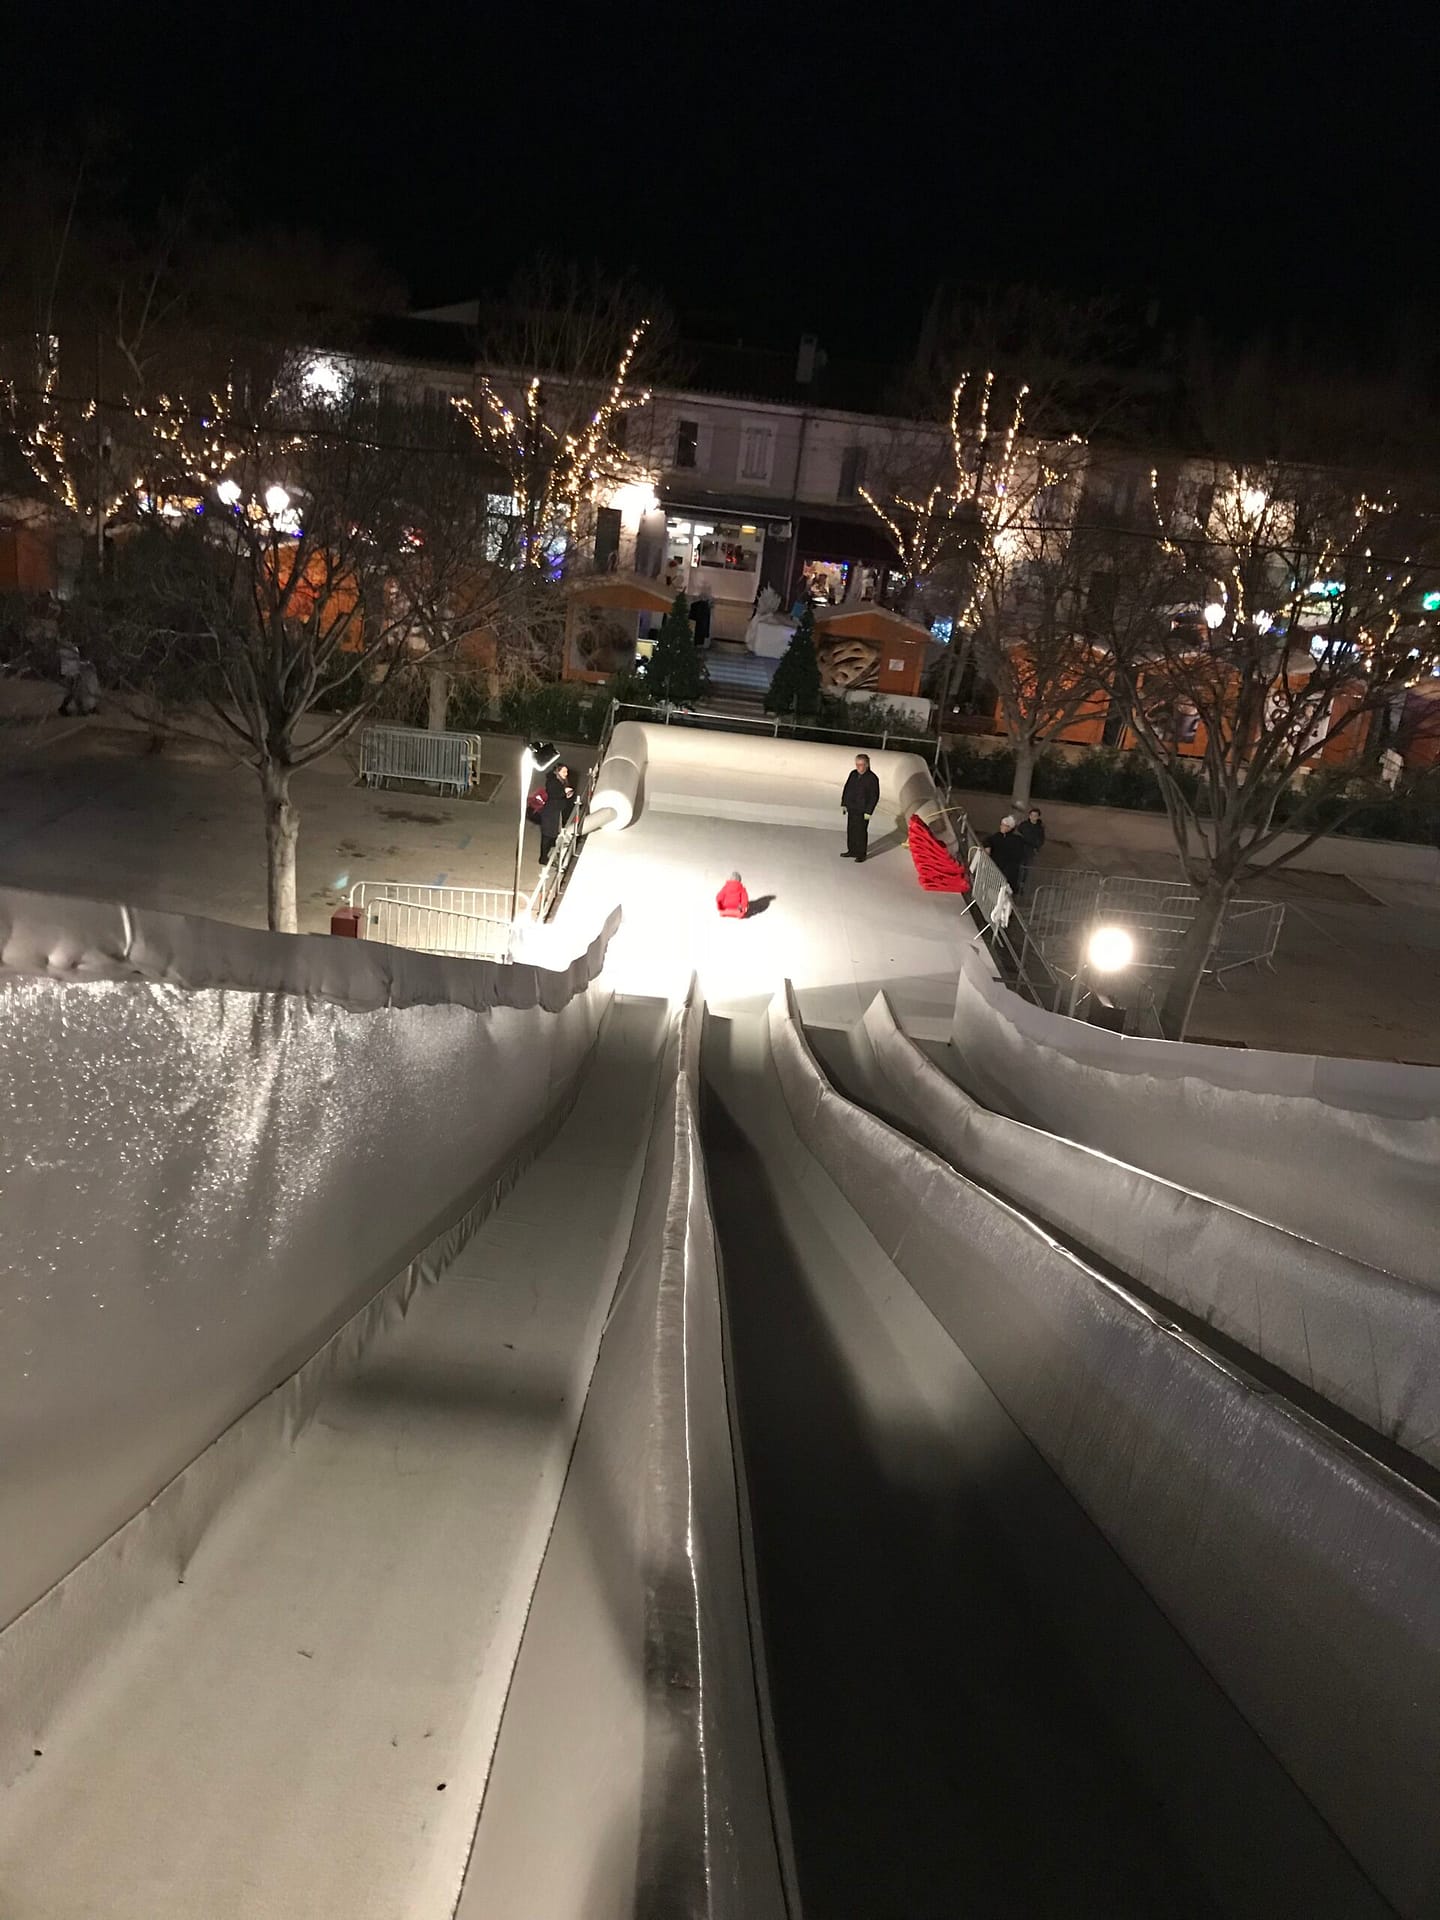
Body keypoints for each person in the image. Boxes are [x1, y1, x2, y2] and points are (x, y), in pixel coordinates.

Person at [841, 753, 880, 862]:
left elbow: (874, 796)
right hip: (852, 807)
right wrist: (844, 803)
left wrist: (869, 811)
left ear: (866, 765)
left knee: (861, 832)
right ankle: (852, 850)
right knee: (851, 830)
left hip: (863, 810)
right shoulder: (853, 774)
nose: (858, 767)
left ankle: (861, 853)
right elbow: (847, 789)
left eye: (861, 764)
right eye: (857, 764)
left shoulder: (872, 778)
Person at [537, 763, 576, 863]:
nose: (566, 774)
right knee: (547, 835)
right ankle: (543, 857)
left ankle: (551, 848)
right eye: (564, 772)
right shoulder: (552, 782)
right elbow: (553, 794)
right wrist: (564, 792)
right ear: (557, 772)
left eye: (566, 771)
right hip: (551, 813)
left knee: (553, 833)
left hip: (556, 812)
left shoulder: (560, 780)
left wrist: (566, 794)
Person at [984, 814, 1027, 891]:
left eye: (1005, 825)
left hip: (1008, 868)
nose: (1002, 827)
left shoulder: (1017, 840)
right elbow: (988, 841)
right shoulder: (996, 836)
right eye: (1002, 824)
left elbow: (1018, 855)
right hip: (997, 866)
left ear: (1010, 828)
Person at [1015, 805, 1046, 889]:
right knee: (1017, 866)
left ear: (1038, 817)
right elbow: (1018, 834)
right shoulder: (1024, 825)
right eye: (1031, 815)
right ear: (1029, 816)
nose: (1033, 817)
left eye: (1035, 816)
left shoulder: (1040, 828)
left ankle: (1022, 885)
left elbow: (1041, 839)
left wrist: (1036, 847)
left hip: (1030, 850)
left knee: (1026, 868)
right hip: (1021, 848)